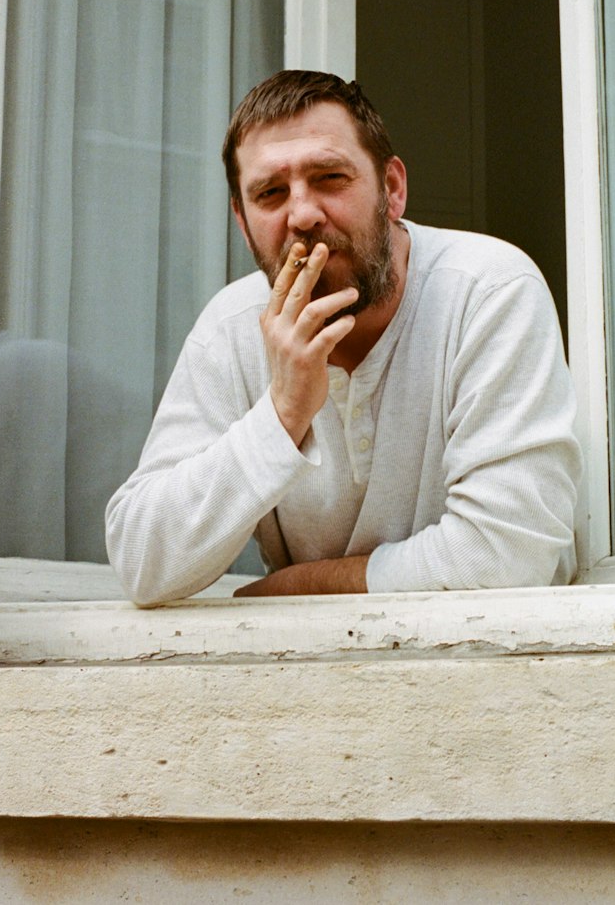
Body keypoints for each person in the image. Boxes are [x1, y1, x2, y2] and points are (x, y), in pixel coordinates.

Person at [105, 70, 581, 603]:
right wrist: (283, 414)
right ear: (242, 222)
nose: (303, 215)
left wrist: (302, 586)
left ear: (393, 190)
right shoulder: (230, 329)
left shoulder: (489, 290)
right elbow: (141, 563)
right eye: (270, 192)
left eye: (331, 177)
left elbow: (509, 553)